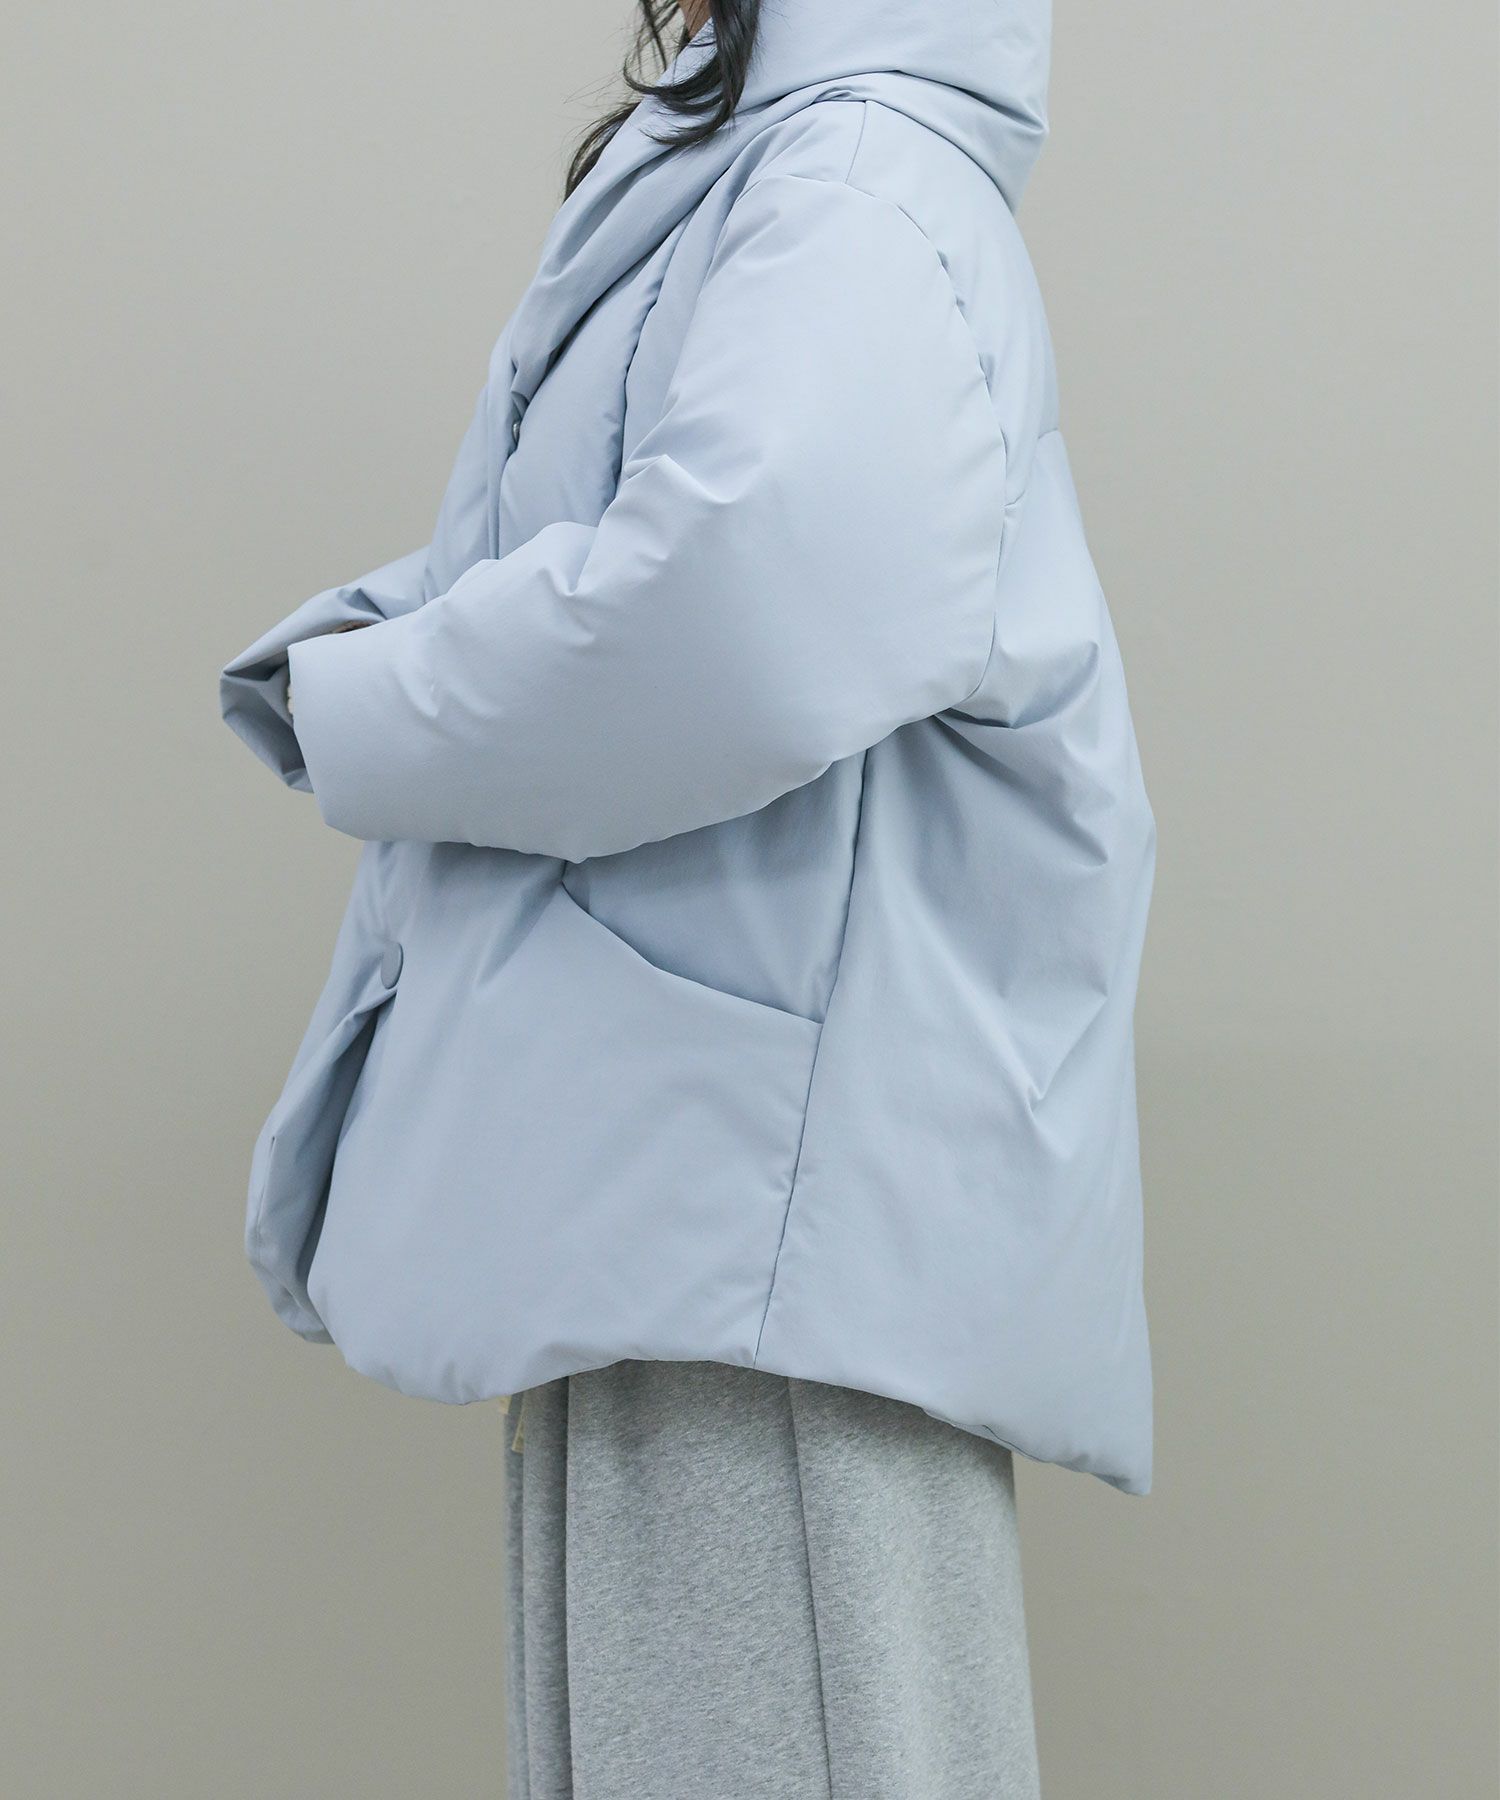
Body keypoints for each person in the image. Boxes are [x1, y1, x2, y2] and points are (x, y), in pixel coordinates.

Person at [220, 0, 1156, 1792]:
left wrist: (366, 700)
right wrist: (372, 661)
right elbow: (635, 550)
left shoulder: (856, 186)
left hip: (755, 1230)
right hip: (694, 1199)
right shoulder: (772, 166)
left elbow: (736, 615)